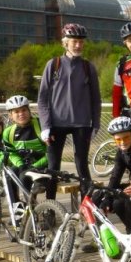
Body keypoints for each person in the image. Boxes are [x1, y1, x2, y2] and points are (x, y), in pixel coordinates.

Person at [37, 23, 101, 200]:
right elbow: (42, 98)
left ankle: (87, 207)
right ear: (65, 43)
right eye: (74, 41)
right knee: (53, 167)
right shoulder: (54, 64)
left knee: (82, 165)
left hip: (82, 123)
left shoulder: (88, 67)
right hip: (56, 124)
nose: (78, 45)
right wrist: (45, 126)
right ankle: (50, 207)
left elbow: (96, 99)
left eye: (81, 41)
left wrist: (95, 123)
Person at [98, 116, 131, 235]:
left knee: (123, 201)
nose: (122, 142)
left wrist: (115, 194)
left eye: (126, 137)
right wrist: (107, 197)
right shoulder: (121, 153)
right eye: (118, 140)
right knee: (103, 197)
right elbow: (115, 176)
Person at [0, 96, 48, 208]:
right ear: (10, 115)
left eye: (24, 110)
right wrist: (20, 164)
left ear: (29, 111)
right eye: (16, 111)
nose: (21, 114)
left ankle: (32, 209)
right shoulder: (9, 132)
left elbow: (51, 154)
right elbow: (11, 153)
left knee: (24, 176)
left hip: (43, 164)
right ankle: (17, 207)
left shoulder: (40, 126)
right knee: (9, 175)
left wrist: (34, 165)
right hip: (24, 164)